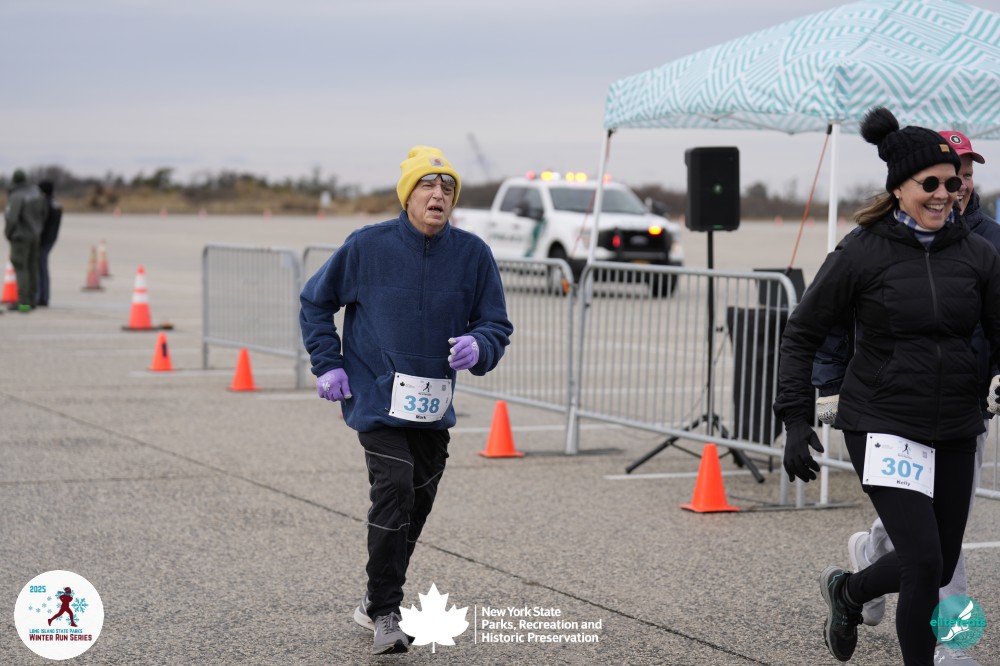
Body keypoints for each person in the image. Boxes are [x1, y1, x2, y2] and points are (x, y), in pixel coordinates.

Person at [774, 106, 1000, 666]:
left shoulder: (978, 253)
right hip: (883, 422)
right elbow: (802, 333)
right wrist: (796, 418)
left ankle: (849, 591)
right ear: (899, 187)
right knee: (923, 561)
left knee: (938, 564)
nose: (945, 194)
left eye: (953, 183)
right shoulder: (861, 251)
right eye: (931, 184)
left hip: (955, 423)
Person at [299, 145, 513, 655]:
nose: (439, 195)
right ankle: (385, 611)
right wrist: (328, 363)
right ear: (408, 195)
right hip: (376, 395)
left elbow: (495, 323)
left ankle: (374, 596)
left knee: (417, 499)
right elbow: (316, 301)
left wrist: (480, 344)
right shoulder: (367, 246)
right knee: (394, 486)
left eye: (448, 187)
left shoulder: (472, 254)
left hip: (433, 406)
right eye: (428, 185)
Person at [4, 169, 47, 312]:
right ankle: (32, 300)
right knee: (32, 267)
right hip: (35, 235)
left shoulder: (16, 195)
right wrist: (38, 229)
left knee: (21, 267)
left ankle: (23, 302)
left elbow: (12, 218)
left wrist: (8, 233)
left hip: (21, 237)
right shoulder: (37, 193)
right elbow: (44, 214)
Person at [36, 180, 62, 307]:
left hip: (44, 239)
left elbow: (42, 221)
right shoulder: (55, 203)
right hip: (52, 238)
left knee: (41, 267)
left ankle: (42, 297)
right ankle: (44, 296)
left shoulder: (45, 203)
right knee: (43, 266)